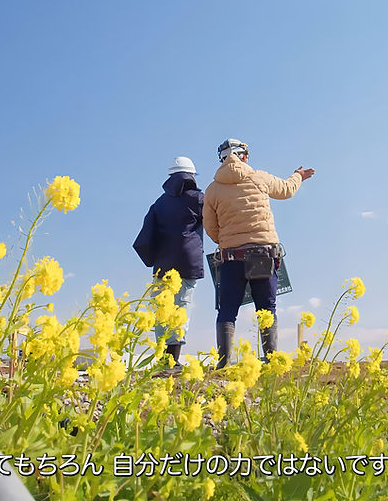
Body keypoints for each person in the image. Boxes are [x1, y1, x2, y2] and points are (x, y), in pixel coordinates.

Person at [202, 139, 315, 368]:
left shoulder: (213, 190)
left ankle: (224, 364)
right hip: (264, 256)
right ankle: (271, 361)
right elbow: (286, 190)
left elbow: (210, 226)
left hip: (231, 257)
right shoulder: (260, 177)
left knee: (227, 310)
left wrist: (225, 241)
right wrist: (298, 176)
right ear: (244, 156)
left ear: (222, 159)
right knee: (266, 308)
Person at [133, 156, 205, 370]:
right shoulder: (198, 198)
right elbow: (213, 222)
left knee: (161, 308)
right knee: (181, 306)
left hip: (162, 264)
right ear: (191, 176)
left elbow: (146, 235)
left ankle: (163, 360)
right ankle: (173, 360)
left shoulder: (159, 203)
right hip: (187, 260)